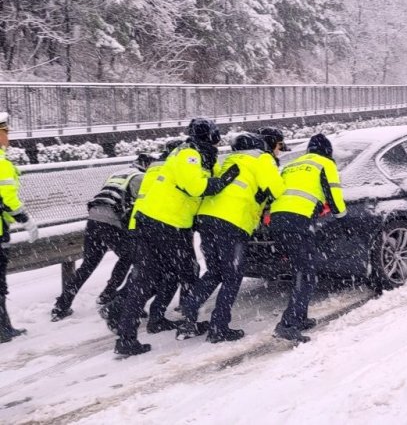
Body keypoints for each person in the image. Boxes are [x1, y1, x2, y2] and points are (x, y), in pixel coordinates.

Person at [113, 118, 240, 356]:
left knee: (157, 276)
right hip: (164, 224)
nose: (218, 141)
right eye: (216, 136)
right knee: (181, 273)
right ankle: (183, 322)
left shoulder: (195, 155)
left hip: (164, 223)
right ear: (209, 136)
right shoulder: (188, 155)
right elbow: (197, 188)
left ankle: (130, 331)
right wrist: (225, 180)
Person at [177, 132, 285, 343]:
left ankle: (188, 317)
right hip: (232, 222)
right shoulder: (262, 158)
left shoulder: (230, 159)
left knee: (214, 271)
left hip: (207, 219)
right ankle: (219, 327)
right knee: (232, 276)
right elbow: (278, 190)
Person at [50, 153, 154, 321]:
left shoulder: (118, 173)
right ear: (146, 165)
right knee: (132, 257)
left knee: (88, 264)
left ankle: (61, 305)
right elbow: (142, 206)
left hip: (94, 219)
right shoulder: (140, 178)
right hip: (112, 222)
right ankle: (110, 295)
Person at [98, 138, 184, 322]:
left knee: (147, 273)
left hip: (139, 225)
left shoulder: (154, 168)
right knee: (163, 273)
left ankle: (119, 307)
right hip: (160, 226)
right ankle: (130, 314)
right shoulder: (171, 169)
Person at [271, 133, 346, 343]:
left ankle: (300, 318)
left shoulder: (293, 164)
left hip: (277, 221)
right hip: (297, 221)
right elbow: (334, 194)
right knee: (307, 275)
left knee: (300, 270)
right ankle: (288, 324)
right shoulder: (325, 164)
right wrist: (341, 215)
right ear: (328, 151)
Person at [0, 111, 38, 343]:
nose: (8, 138)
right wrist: (25, 219)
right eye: (5, 133)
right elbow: (6, 199)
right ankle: (3, 329)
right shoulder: (1, 164)